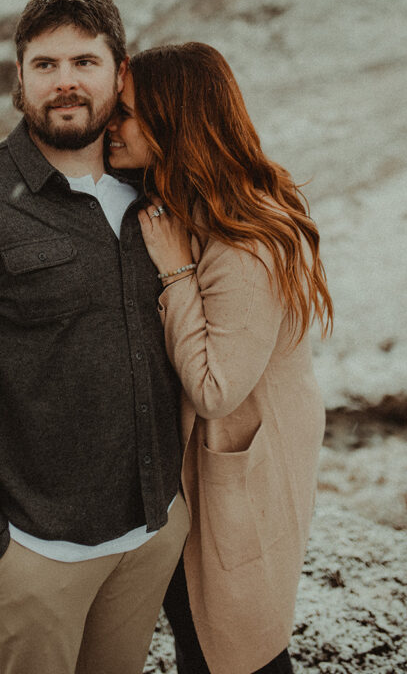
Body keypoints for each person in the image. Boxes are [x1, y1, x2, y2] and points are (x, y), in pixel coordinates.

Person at [0, 0, 187, 674]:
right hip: (35, 553)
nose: (65, 83)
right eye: (46, 64)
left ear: (120, 72)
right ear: (17, 78)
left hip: (150, 534)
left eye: (84, 62)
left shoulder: (159, 192)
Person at [106, 42, 333, 674]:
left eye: (125, 112)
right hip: (221, 460)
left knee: (238, 646)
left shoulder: (242, 241)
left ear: (172, 119)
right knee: (204, 629)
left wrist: (175, 271)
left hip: (244, 459)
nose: (111, 126)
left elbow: (214, 389)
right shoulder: (196, 207)